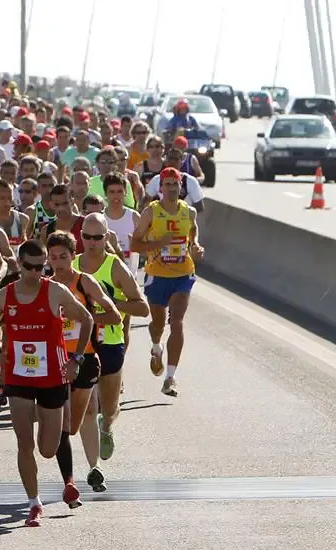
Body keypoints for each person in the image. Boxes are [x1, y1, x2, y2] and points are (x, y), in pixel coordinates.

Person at [0, 239, 94, 527]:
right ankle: (34, 502)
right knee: (23, 441)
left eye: (39, 267)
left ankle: (46, 422)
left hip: (53, 376)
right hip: (18, 376)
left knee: (47, 448)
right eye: (28, 267)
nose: (34, 272)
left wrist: (76, 358)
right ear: (19, 264)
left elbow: (87, 319)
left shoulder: (54, 291)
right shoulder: (4, 296)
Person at [46, 231, 121, 505]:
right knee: (66, 422)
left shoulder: (84, 282)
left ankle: (94, 468)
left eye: (63, 256)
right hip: (55, 361)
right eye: (53, 257)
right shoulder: (47, 287)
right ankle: (74, 479)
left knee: (81, 418)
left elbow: (113, 314)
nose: (58, 262)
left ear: (72, 254)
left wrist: (85, 318)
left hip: (86, 357)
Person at [74, 213, 149, 486]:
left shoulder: (114, 267)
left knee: (108, 408)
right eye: (86, 237)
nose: (91, 243)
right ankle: (93, 467)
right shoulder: (71, 267)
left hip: (110, 344)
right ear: (80, 236)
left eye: (98, 237)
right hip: (81, 346)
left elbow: (142, 307)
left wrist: (111, 306)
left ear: (107, 237)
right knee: (88, 408)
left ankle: (107, 428)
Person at [131, 167, 204, 397]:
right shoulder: (150, 213)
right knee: (158, 325)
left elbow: (193, 235)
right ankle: (155, 347)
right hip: (157, 275)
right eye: (168, 184)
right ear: (160, 188)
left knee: (178, 322)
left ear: (181, 186)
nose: (172, 189)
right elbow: (135, 245)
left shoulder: (189, 212)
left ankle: (170, 378)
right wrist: (158, 243)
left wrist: (196, 248)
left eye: (176, 184)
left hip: (183, 274)